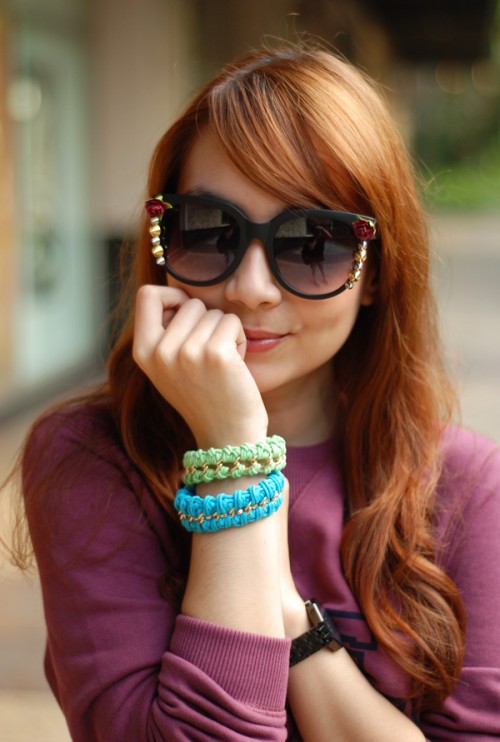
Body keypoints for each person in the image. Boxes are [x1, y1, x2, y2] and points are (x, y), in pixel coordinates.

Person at [9, 44, 500, 741]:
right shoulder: (91, 455)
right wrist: (233, 456)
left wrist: (290, 616)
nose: (250, 289)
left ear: (376, 274)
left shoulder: (467, 484)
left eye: (313, 243)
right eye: (211, 232)